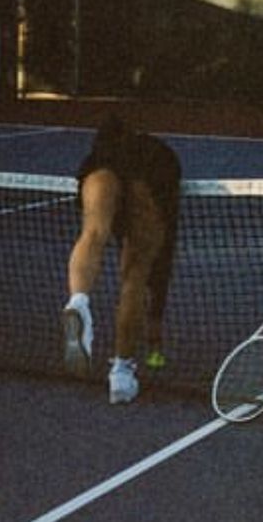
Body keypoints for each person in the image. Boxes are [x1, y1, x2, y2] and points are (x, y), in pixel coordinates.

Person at [62, 117, 181, 404]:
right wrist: (155, 322)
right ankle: (121, 372)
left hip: (104, 171)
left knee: (92, 233)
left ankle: (78, 302)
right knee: (136, 273)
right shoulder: (160, 157)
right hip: (152, 176)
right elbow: (162, 263)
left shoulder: (102, 154)